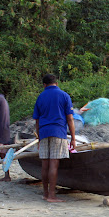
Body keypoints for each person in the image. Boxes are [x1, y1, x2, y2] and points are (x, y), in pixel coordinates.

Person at [32, 74, 77, 202]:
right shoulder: (64, 96)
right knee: (54, 165)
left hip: (44, 133)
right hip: (58, 132)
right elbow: (70, 118)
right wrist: (73, 138)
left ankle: (46, 193)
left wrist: (39, 138)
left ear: (44, 85)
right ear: (56, 83)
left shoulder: (40, 97)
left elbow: (37, 121)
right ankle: (52, 195)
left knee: (45, 165)